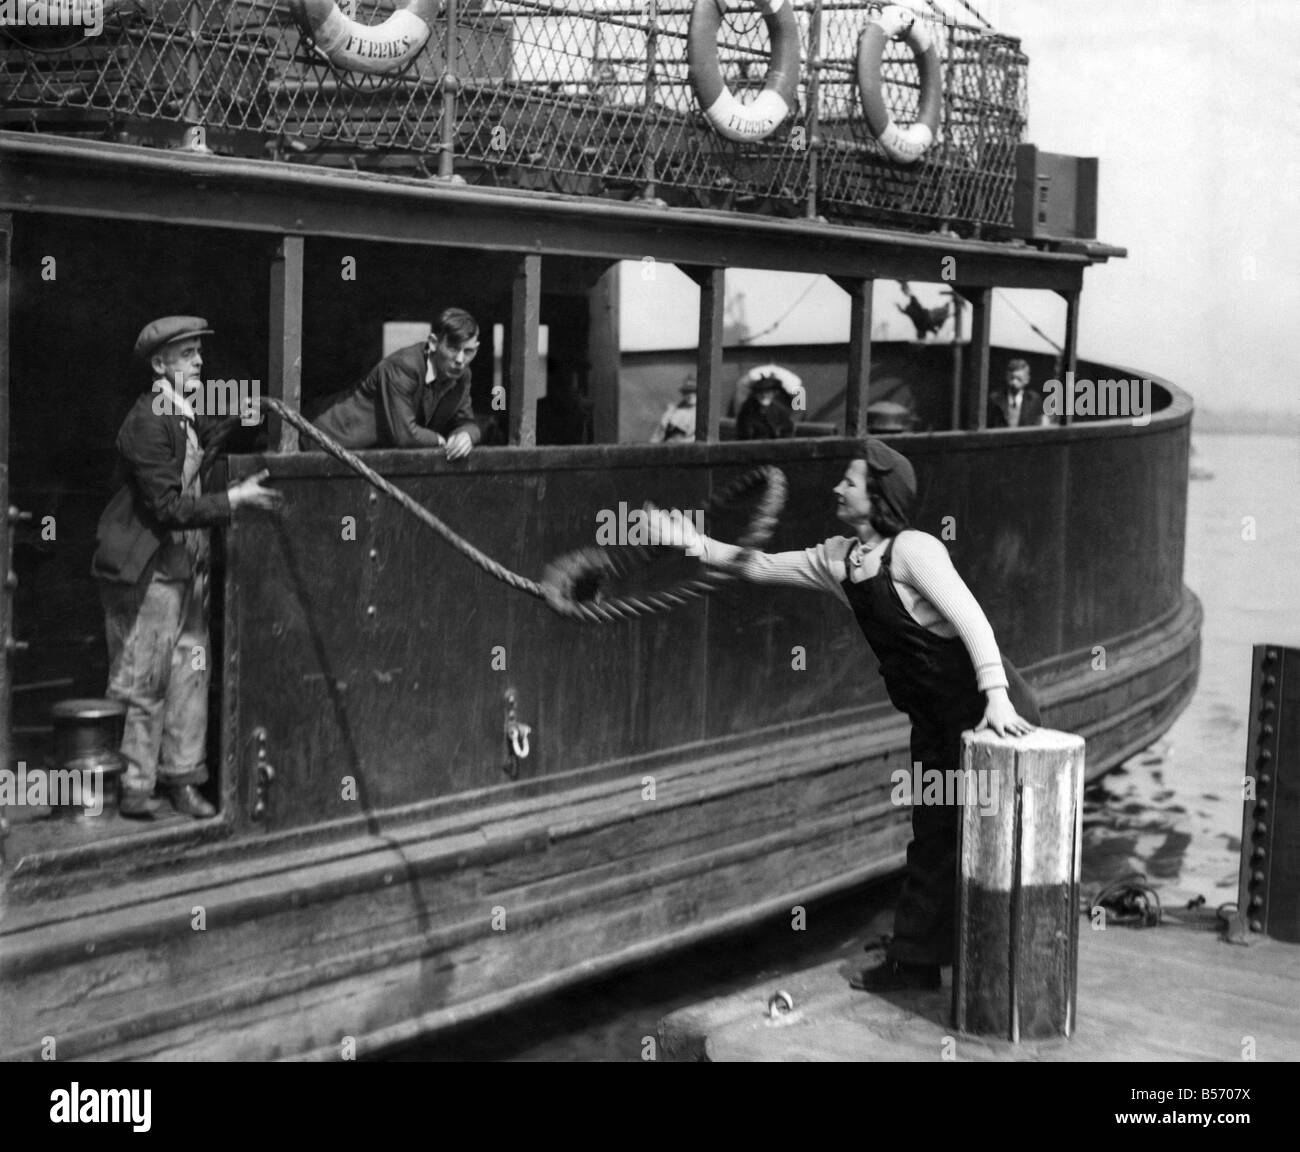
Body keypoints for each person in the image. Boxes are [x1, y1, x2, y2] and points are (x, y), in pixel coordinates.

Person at [646, 439, 1039, 990]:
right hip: (934, 719)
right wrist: (688, 540)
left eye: (850, 482)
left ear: (878, 497)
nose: (837, 487)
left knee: (988, 835)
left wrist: (997, 698)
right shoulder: (841, 559)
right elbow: (758, 566)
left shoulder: (915, 550)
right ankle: (917, 963)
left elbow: (973, 621)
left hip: (991, 709)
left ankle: (1001, 965)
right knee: (932, 833)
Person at [92, 317, 282, 819]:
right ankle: (134, 787)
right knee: (143, 678)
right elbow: (166, 508)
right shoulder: (146, 422)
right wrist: (234, 498)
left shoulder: (180, 411)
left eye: (199, 353)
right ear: (159, 365)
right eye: (187, 355)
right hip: (148, 571)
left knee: (189, 676)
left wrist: (249, 409)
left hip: (186, 567)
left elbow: (211, 434)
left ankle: (183, 779)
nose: (199, 363)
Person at [309, 307, 482, 457]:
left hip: (367, 457)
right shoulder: (403, 366)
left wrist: (466, 436)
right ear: (433, 343)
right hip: (324, 443)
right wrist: (440, 440)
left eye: (468, 351)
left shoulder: (462, 376)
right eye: (453, 348)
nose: (460, 359)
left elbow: (466, 422)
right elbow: (404, 435)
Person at [736, 370, 796, 440]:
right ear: (756, 394)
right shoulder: (747, 410)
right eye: (760, 392)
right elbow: (743, 434)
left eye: (767, 392)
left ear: (773, 393)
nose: (763, 395)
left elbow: (787, 432)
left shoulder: (780, 411)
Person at [987, 358, 1045, 429]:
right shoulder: (995, 399)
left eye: (1019, 378)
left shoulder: (1034, 399)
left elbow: (1038, 424)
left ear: (1027, 379)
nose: (1014, 382)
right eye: (1011, 378)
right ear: (1006, 376)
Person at [650, 375, 697, 443]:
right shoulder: (673, 410)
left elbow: (698, 439)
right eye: (686, 392)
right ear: (683, 393)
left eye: (694, 391)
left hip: (688, 448)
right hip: (666, 447)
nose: (690, 395)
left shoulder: (702, 412)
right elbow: (659, 433)